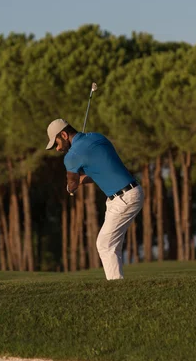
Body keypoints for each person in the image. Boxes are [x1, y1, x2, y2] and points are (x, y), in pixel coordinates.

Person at [45, 118, 144, 280]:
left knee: (104, 244)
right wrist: (82, 178)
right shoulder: (97, 137)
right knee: (112, 245)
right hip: (127, 194)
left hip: (124, 197)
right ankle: (118, 283)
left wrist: (71, 187)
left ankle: (116, 287)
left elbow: (72, 182)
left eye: (56, 143)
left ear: (63, 134)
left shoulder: (72, 156)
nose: (57, 149)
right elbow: (101, 171)